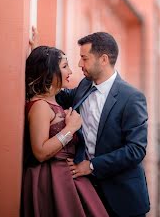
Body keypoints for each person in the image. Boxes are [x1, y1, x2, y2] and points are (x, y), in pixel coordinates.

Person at [56, 32, 150, 217]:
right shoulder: (84, 85)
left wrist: (91, 166)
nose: (79, 64)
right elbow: (56, 94)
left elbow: (136, 150)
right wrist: (38, 57)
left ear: (104, 59)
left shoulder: (131, 98)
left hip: (123, 199)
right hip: (87, 193)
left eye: (84, 58)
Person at [22, 45, 108, 217]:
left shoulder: (56, 102)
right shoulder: (40, 106)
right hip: (50, 180)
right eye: (64, 66)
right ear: (49, 71)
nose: (70, 70)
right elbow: (40, 152)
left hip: (68, 176)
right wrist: (71, 128)